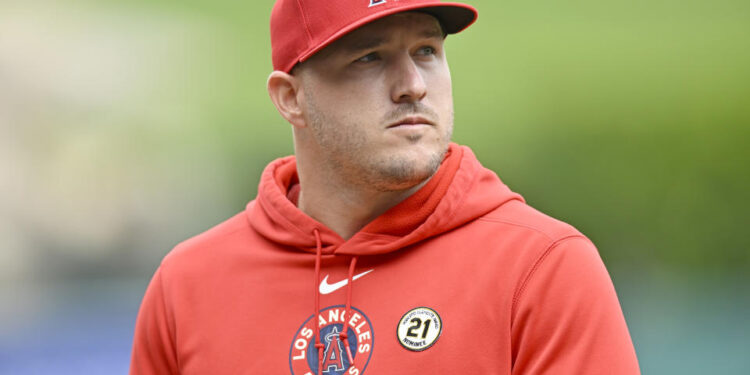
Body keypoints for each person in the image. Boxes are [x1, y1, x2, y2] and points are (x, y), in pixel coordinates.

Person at [130, 0, 640, 374]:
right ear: (290, 98)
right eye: (369, 57)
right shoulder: (187, 286)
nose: (413, 84)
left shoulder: (542, 268)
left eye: (426, 50)